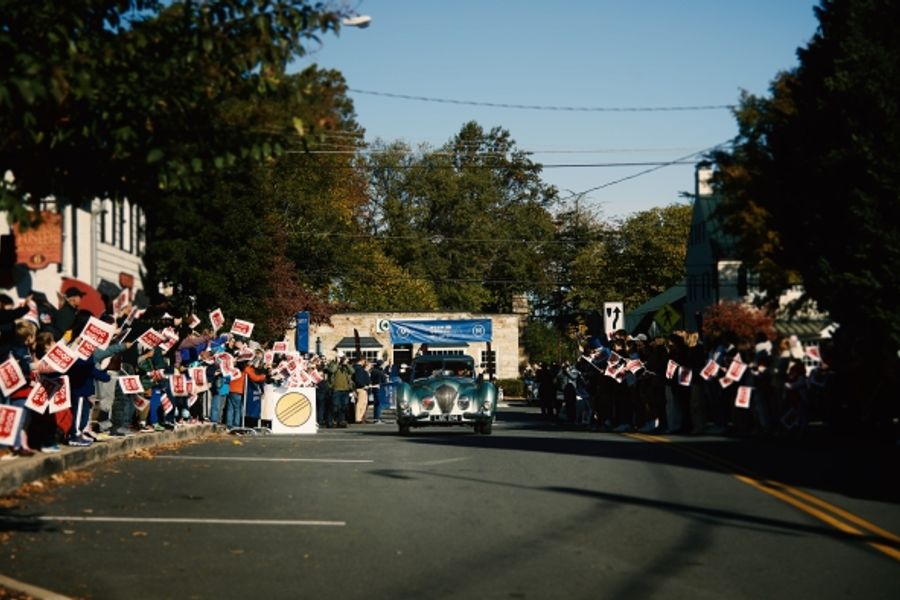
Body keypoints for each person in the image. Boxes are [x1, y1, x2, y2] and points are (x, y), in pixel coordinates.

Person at [326, 351, 354, 428]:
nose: (342, 359)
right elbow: (332, 370)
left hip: (345, 389)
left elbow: (352, 371)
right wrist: (337, 362)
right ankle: (331, 421)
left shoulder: (345, 366)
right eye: (341, 357)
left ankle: (341, 421)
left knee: (344, 407)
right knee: (334, 406)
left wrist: (346, 364)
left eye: (343, 357)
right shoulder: (332, 364)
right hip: (335, 389)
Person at [351, 357, 371, 424]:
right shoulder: (359, 369)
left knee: (363, 403)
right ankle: (358, 418)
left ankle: (361, 417)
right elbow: (358, 379)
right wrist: (363, 385)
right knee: (361, 404)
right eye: (364, 361)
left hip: (360, 388)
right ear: (362, 360)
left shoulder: (356, 368)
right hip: (361, 388)